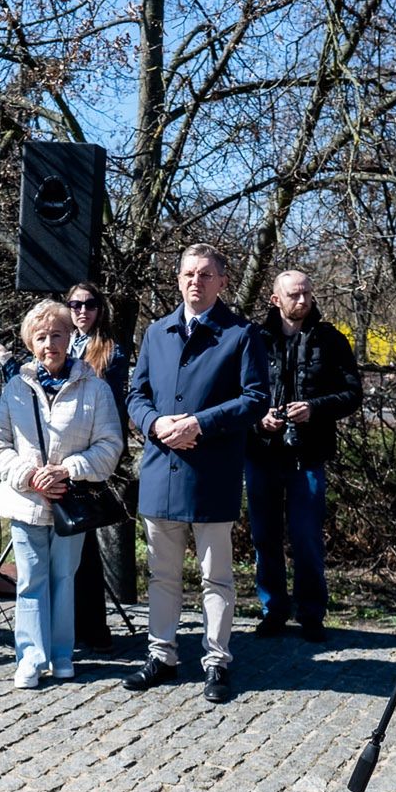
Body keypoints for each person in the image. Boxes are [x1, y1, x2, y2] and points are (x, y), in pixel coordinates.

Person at [124, 243, 270, 704]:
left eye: (206, 275)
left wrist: (200, 424)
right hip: (161, 469)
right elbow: (136, 395)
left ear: (222, 282)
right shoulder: (156, 332)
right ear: (178, 278)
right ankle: (162, 654)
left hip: (212, 473)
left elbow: (255, 399)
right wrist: (154, 424)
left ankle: (216, 661)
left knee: (215, 577)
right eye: (189, 273)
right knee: (161, 575)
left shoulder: (241, 334)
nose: (196, 282)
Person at [0, 300, 124, 688]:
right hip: (26, 501)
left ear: (69, 338)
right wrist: (29, 476)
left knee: (65, 577)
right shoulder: (16, 388)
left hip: (71, 501)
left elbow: (110, 444)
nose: (51, 344)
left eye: (58, 335)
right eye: (42, 337)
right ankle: (30, 657)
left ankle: (62, 654)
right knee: (31, 580)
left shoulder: (93, 388)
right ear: (31, 343)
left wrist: (67, 470)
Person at [248, 269, 362, 644]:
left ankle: (311, 613)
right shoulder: (254, 339)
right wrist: (258, 421)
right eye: (294, 295)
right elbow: (237, 395)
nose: (302, 301)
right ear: (274, 298)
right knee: (265, 537)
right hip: (262, 453)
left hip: (308, 455)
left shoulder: (330, 340)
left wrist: (314, 408)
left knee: (306, 537)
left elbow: (352, 394)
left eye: (306, 294)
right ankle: (273, 610)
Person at [65, 281, 131, 651]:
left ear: (99, 309)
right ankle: (74, 624)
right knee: (71, 542)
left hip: (92, 454)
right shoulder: (60, 341)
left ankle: (93, 627)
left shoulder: (111, 351)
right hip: (63, 452)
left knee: (86, 541)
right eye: (74, 305)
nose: (81, 311)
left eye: (89, 304)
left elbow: (114, 407)